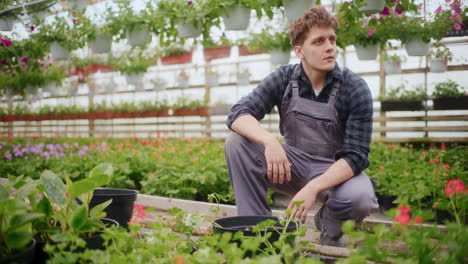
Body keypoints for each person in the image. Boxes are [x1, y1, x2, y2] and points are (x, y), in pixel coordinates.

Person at [224, 7, 379, 247]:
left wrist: (314, 187)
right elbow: (238, 114)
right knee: (236, 143)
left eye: (332, 39)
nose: (329, 47)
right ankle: (259, 233)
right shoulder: (284, 79)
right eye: (318, 41)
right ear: (299, 51)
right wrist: (270, 141)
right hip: (292, 165)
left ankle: (330, 227)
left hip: (333, 171)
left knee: (360, 197)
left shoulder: (354, 88)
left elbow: (357, 156)